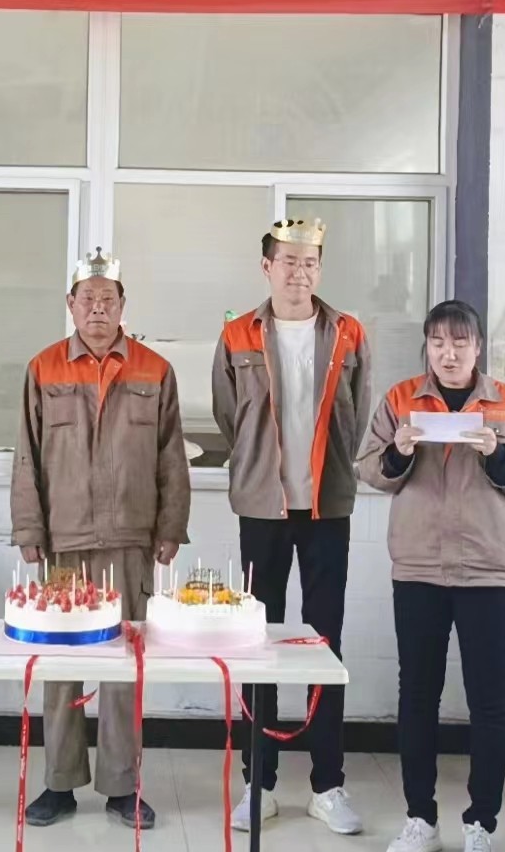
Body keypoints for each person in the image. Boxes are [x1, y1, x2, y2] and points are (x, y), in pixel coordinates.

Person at [358, 300, 505, 852]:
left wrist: (499, 455)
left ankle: (481, 823)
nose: (448, 354)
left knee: (489, 699)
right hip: (418, 565)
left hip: (488, 569)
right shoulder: (401, 399)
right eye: (438, 342)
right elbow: (369, 469)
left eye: (460, 343)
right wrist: (398, 452)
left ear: (478, 348)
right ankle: (420, 818)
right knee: (417, 695)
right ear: (427, 347)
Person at [12, 248, 191, 831]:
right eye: (86, 299)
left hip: (130, 539)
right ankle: (59, 783)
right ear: (70, 305)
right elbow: (26, 455)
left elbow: (171, 456)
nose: (97, 308)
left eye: (107, 299)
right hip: (64, 540)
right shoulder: (44, 368)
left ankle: (121, 787)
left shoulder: (153, 369)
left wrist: (170, 528)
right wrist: (29, 529)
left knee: (123, 670)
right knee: (62, 667)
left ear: (121, 306)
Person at [211, 218, 371, 836]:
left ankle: (328, 784)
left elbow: (358, 414)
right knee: (258, 641)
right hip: (263, 507)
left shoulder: (348, 331)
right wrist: (261, 466)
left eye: (310, 262)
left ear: (319, 268)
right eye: (289, 262)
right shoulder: (238, 334)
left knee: (325, 642)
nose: (300, 273)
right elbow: (230, 415)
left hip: (327, 506)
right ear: (267, 267)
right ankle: (261, 781)